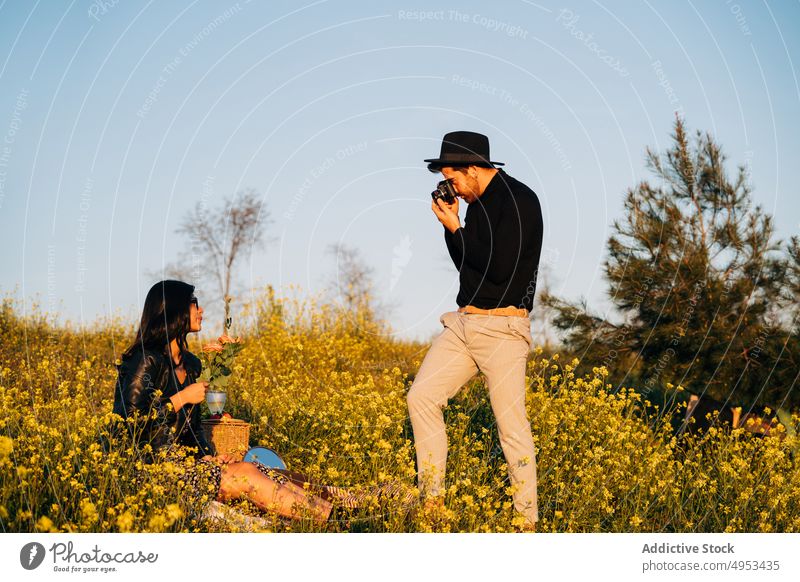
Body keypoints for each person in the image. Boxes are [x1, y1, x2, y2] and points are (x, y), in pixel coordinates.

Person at [407, 131, 544, 531]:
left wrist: (455, 228)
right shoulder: (476, 205)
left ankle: (526, 523)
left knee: (511, 426)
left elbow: (499, 268)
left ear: (472, 169)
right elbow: (468, 266)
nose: (452, 188)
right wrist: (453, 227)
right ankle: (431, 504)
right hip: (464, 323)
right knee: (422, 397)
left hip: (503, 328)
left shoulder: (518, 200)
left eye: (453, 178)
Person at [112, 280, 333, 524]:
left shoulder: (191, 364)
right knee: (247, 473)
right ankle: (333, 522)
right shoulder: (144, 360)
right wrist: (180, 398)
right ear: (173, 311)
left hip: (185, 466)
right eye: (193, 304)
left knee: (267, 473)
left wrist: (209, 457)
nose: (201, 310)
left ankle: (342, 507)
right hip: (151, 473)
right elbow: (128, 424)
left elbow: (191, 431)